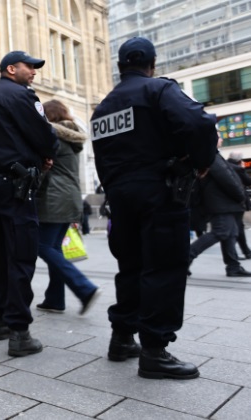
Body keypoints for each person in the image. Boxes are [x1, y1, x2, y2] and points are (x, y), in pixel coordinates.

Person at [91, 37, 217, 380]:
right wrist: (201, 162)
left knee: (130, 267)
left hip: (120, 196)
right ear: (152, 63)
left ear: (120, 66)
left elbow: (101, 156)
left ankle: (122, 338)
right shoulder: (159, 89)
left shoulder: (103, 107)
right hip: (159, 191)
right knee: (164, 267)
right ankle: (155, 351)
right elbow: (201, 123)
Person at [0, 50, 57, 358]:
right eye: (29, 66)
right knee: (20, 253)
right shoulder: (20, 96)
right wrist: (46, 154)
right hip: (15, 186)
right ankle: (20, 331)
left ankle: (0, 319)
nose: (33, 71)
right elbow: (44, 135)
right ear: (11, 69)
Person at [34, 99, 101, 316]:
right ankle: (55, 299)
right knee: (54, 247)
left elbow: (44, 169)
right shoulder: (71, 138)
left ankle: (84, 288)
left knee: (42, 246)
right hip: (70, 196)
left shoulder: (52, 136)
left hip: (54, 197)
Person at [189, 144, 251, 277]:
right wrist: (240, 195)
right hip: (221, 202)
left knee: (231, 233)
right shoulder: (211, 156)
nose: (220, 138)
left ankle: (233, 266)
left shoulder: (212, 155)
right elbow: (226, 178)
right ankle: (187, 256)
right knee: (221, 231)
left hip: (222, 202)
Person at [226, 152, 251, 259]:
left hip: (227, 202)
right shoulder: (238, 168)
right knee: (236, 228)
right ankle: (239, 253)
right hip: (237, 202)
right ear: (239, 160)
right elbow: (248, 181)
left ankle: (244, 251)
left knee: (236, 227)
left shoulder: (225, 165)